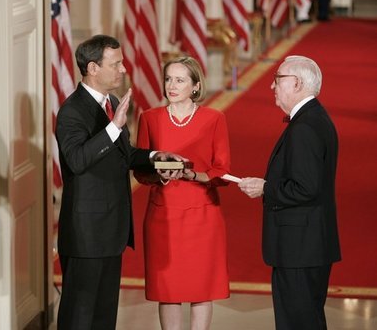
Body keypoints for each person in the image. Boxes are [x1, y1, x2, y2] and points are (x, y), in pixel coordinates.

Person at [55, 34, 184, 330]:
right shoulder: (72, 111)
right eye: (116, 63)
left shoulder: (111, 102)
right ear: (92, 68)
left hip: (111, 230)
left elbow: (124, 156)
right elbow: (77, 160)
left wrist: (155, 157)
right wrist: (114, 127)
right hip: (86, 234)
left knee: (103, 317)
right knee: (80, 316)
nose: (124, 69)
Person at [238, 55, 341, 330]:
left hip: (300, 248)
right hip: (308, 245)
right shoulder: (314, 118)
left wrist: (264, 188)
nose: (272, 86)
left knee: (298, 323)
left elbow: (305, 187)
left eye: (277, 80)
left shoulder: (305, 126)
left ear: (295, 83)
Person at [134, 56, 231, 330]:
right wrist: (159, 175)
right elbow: (140, 171)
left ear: (196, 86)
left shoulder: (214, 119)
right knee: (169, 290)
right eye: (168, 79)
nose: (171, 85)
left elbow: (221, 171)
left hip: (203, 215)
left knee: (202, 287)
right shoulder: (149, 119)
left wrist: (193, 175)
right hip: (163, 216)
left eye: (179, 80)